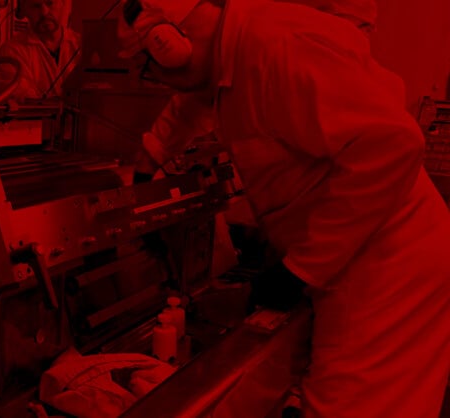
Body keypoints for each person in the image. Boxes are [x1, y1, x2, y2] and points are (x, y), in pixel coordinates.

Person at [117, 0, 450, 417]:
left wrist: (301, 271)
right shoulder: (229, 53)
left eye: (151, 68)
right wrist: (150, 159)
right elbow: (194, 99)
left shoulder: (275, 46)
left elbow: (393, 146)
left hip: (388, 265)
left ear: (169, 44)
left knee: (350, 408)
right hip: (352, 259)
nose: (160, 82)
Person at [0, 0, 80, 100]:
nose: (44, 12)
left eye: (50, 3)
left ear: (62, 4)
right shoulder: (11, 52)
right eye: (35, 6)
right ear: (23, 11)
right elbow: (21, 101)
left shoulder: (82, 45)